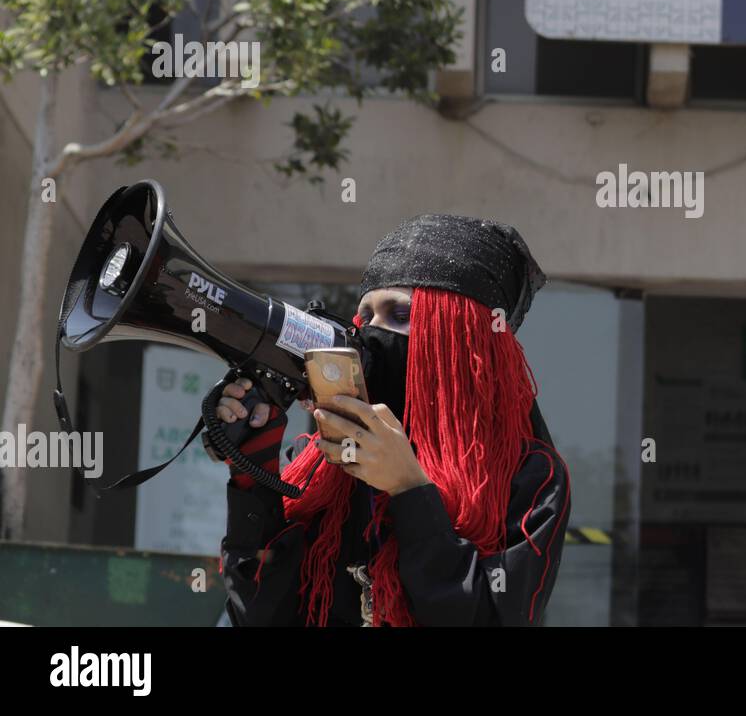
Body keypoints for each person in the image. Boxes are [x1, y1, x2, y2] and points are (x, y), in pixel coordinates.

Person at [215, 214, 571, 626]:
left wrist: (409, 489)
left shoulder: (532, 477)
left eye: (400, 316)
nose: (370, 334)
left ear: (463, 339)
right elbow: (261, 616)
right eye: (365, 318)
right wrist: (252, 470)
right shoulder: (316, 461)